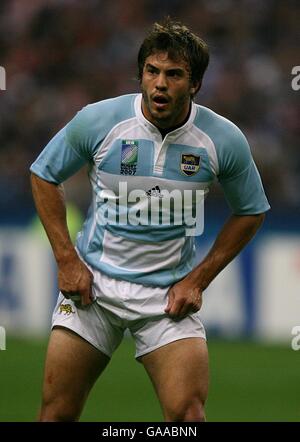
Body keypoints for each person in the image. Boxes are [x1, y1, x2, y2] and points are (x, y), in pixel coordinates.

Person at [30, 18, 270, 422]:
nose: (160, 84)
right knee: (56, 414)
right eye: (152, 71)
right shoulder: (100, 120)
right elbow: (42, 174)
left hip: (165, 302)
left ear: (194, 85)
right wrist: (67, 260)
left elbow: (251, 210)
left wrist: (197, 280)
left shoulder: (222, 140)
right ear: (141, 74)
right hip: (93, 292)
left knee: (187, 418)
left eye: (174, 75)